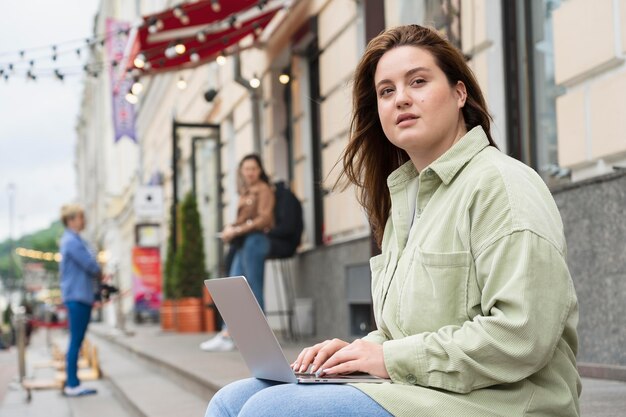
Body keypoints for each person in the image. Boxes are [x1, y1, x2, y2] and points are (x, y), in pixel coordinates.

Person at [204, 24, 581, 417]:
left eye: (418, 81)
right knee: (231, 400)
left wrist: (386, 357)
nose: (401, 99)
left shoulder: (502, 185)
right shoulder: (408, 200)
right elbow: (405, 334)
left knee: (270, 410)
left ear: (459, 92)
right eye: (386, 91)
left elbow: (522, 336)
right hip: (427, 390)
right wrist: (355, 352)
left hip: (502, 402)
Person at [201, 154, 275, 352]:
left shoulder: (264, 190)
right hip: (243, 243)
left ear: (259, 170)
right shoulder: (245, 192)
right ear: (241, 171)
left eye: (253, 168)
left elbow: (265, 219)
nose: (250, 172)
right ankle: (229, 334)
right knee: (234, 287)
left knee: (253, 289)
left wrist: (237, 230)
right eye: (246, 168)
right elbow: (244, 220)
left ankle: (261, 339)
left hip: (255, 241)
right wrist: (230, 227)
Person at [59, 204, 101, 397]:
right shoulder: (72, 241)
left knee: (76, 340)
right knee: (76, 341)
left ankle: (73, 382)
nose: (83, 221)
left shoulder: (73, 240)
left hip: (78, 296)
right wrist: (97, 262)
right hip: (78, 296)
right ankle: (72, 384)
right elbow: (91, 265)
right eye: (81, 218)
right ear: (71, 220)